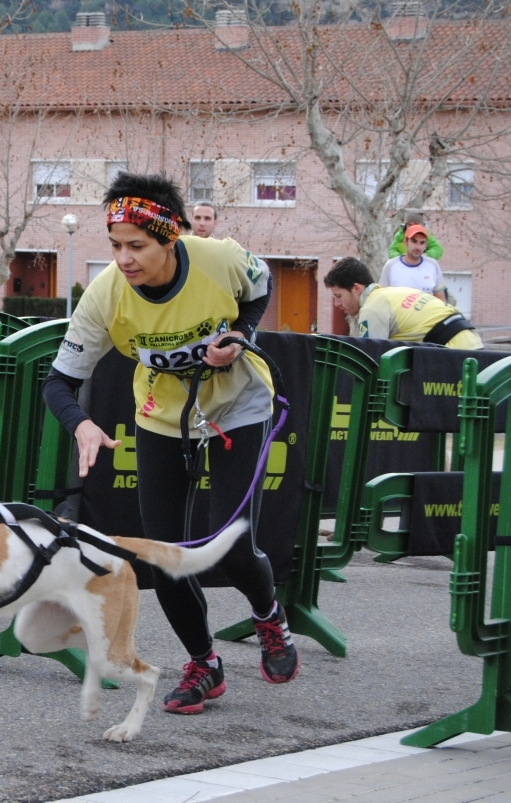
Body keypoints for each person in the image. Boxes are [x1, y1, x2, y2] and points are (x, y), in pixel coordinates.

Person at [41, 172, 298, 715]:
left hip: (238, 408)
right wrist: (81, 424)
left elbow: (261, 285)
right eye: (115, 246)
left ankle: (269, 615)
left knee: (228, 541)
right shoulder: (106, 294)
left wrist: (241, 336)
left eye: (137, 245)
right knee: (165, 556)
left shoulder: (219, 258)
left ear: (171, 238)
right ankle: (204, 663)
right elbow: (59, 382)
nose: (124, 259)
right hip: (162, 418)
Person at [324, 258, 482, 349]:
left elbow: (371, 359)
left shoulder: (371, 309)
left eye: (338, 295)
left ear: (357, 288)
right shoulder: (392, 293)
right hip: (471, 340)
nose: (337, 303)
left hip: (457, 348)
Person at [378, 224, 446, 301]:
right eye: (414, 241)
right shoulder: (391, 265)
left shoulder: (433, 265)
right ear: (405, 242)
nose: (418, 247)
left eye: (422, 243)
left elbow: (441, 301)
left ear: (426, 245)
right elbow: (382, 299)